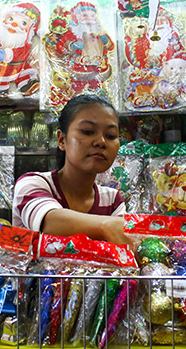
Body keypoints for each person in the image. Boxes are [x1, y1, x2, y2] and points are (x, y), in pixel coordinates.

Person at [13, 94, 136, 248]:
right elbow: (49, 222)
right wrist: (106, 226)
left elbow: (122, 248)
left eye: (110, 136)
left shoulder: (112, 200)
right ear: (61, 140)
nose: (101, 142)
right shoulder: (32, 184)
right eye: (87, 131)